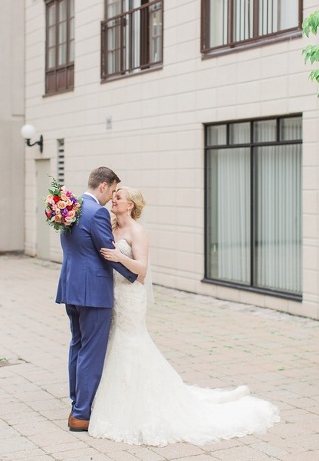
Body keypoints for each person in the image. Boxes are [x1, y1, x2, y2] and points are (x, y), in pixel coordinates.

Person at [90, 186, 280, 446]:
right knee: (116, 342)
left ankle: (139, 404)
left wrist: (118, 257)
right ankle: (118, 399)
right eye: (114, 196)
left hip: (131, 296)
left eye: (119, 197)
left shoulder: (138, 232)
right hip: (113, 294)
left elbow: (142, 270)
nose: (114, 199)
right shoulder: (111, 227)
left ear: (130, 205)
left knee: (131, 343)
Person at [56, 167, 139, 432]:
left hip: (71, 287)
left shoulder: (69, 207)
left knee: (77, 345)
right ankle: (81, 414)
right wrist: (135, 275)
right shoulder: (97, 212)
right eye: (113, 190)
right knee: (91, 351)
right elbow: (107, 251)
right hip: (93, 292)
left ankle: (76, 405)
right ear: (103, 186)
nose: (112, 197)